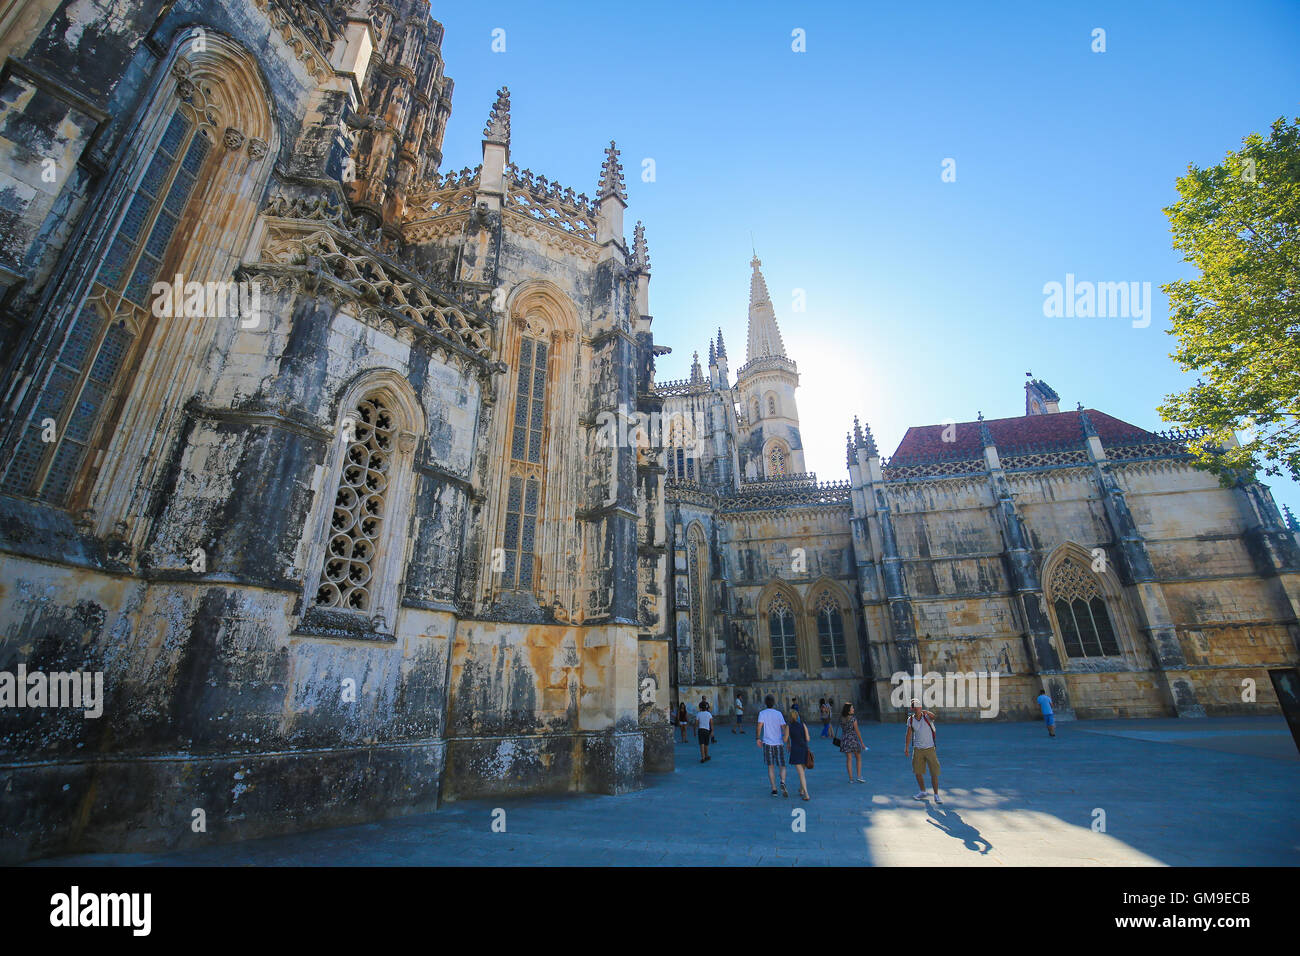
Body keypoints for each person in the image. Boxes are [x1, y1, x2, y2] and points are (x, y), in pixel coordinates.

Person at [904, 698, 942, 803]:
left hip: (930, 748)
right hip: (918, 749)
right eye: (914, 706)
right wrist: (906, 747)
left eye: (918, 706)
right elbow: (908, 734)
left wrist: (927, 712)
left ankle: (936, 795)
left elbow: (934, 717)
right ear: (912, 708)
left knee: (934, 772)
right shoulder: (910, 720)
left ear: (921, 707)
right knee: (918, 771)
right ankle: (923, 791)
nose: (917, 708)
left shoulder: (927, 716)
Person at [755, 694, 790, 797]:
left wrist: (757, 738)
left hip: (767, 743)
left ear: (765, 703)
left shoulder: (762, 713)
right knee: (782, 766)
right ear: (774, 703)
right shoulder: (778, 714)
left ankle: (774, 789)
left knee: (771, 767)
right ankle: (782, 781)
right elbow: (785, 728)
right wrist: (788, 741)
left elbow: (759, 727)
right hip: (778, 743)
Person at [787, 707, 813, 800]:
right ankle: (802, 790)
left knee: (801, 774)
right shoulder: (803, 725)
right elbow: (808, 739)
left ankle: (806, 794)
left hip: (796, 751)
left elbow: (785, 739)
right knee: (803, 772)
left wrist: (788, 743)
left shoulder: (789, 727)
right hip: (804, 749)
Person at [839, 702, 865, 783]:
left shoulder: (842, 718)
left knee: (849, 759)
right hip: (853, 739)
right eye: (852, 708)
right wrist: (862, 743)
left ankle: (851, 779)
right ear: (849, 711)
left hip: (845, 740)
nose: (853, 709)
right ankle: (859, 776)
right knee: (858, 758)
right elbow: (857, 732)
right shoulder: (853, 719)